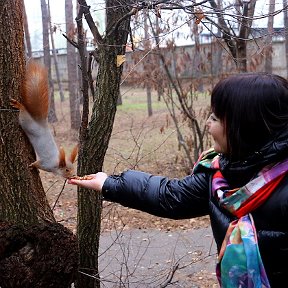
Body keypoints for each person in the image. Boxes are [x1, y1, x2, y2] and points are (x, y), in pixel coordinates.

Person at [68, 72, 288, 287]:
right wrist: (108, 183)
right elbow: (172, 196)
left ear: (246, 127)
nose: (207, 125)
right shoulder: (221, 174)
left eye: (215, 118)